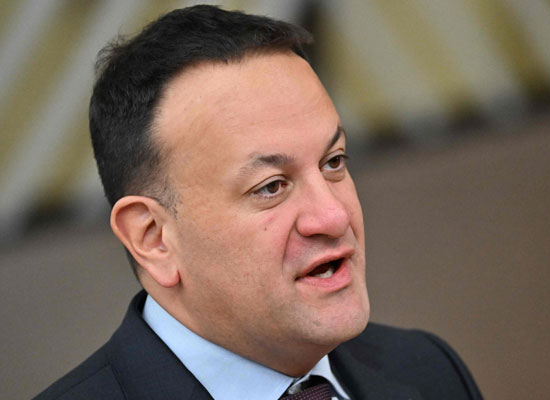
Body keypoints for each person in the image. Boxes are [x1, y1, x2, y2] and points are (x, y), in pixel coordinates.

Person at [35, 5, 482, 400]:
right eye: (271, 186)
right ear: (153, 237)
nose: (334, 215)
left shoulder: (427, 370)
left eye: (334, 161)